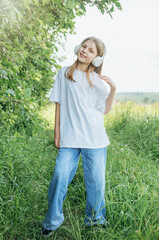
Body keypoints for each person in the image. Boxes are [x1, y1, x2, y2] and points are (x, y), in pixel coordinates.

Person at [41, 36, 116, 237]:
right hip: (70, 138)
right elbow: (58, 103)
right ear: (78, 47)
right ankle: (52, 221)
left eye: (91, 50)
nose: (85, 51)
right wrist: (56, 131)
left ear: (97, 59)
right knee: (60, 174)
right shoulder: (64, 73)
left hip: (95, 139)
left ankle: (95, 220)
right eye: (84, 46)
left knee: (96, 182)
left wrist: (113, 89)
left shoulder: (98, 82)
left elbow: (105, 110)